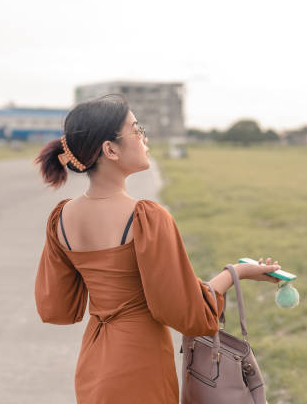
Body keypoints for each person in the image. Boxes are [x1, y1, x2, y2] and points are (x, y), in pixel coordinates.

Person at [33, 94, 281, 404]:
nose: (144, 137)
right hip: (141, 362)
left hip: (94, 362)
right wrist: (238, 272)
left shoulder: (61, 217)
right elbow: (190, 314)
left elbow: (57, 308)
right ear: (110, 149)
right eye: (136, 130)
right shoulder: (146, 218)